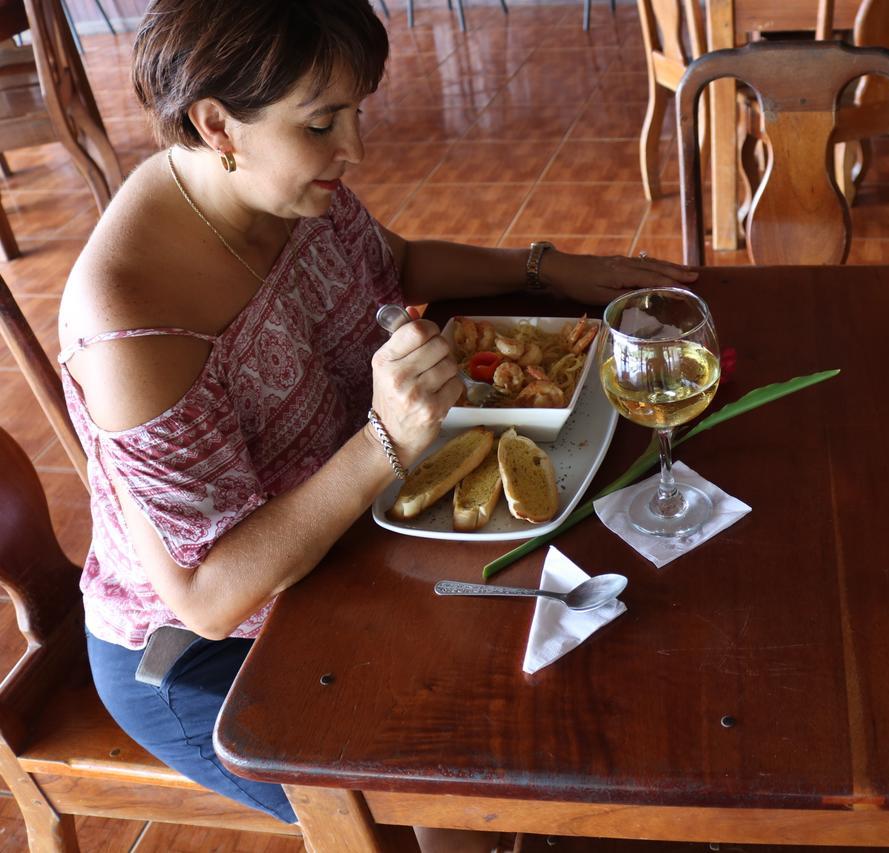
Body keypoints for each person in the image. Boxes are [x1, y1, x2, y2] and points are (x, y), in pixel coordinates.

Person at [56, 1, 694, 849]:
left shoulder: (266, 178)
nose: (353, 149)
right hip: (214, 660)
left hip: (351, 550)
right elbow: (208, 598)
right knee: (452, 777)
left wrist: (548, 269)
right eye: (324, 123)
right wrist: (384, 441)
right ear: (217, 123)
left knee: (594, 642)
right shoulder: (133, 322)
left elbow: (389, 262)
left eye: (355, 112)